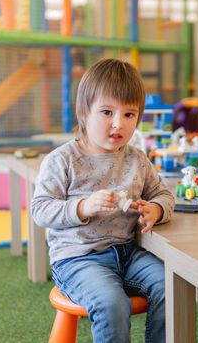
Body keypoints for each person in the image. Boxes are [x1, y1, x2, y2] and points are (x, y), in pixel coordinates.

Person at [31, 58, 175, 343]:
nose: (118, 124)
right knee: (112, 302)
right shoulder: (63, 160)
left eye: (130, 115)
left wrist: (156, 209)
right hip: (77, 259)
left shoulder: (136, 159)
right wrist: (83, 207)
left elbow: (163, 194)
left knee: (170, 285)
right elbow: (40, 209)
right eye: (107, 112)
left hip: (127, 253)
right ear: (84, 113)